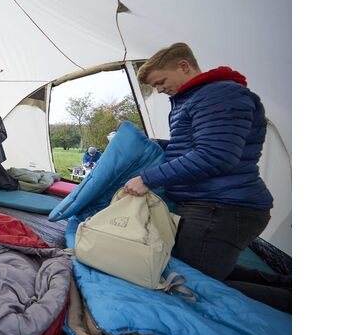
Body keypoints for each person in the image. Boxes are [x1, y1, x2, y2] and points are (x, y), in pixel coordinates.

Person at [123, 42, 291, 313]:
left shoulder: (220, 95)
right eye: (155, 87)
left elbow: (216, 155)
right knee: (210, 273)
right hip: (213, 203)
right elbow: (193, 147)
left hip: (222, 207)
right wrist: (155, 145)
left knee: (195, 284)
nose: (160, 90)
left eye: (161, 81)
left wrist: (148, 178)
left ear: (184, 66)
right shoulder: (194, 98)